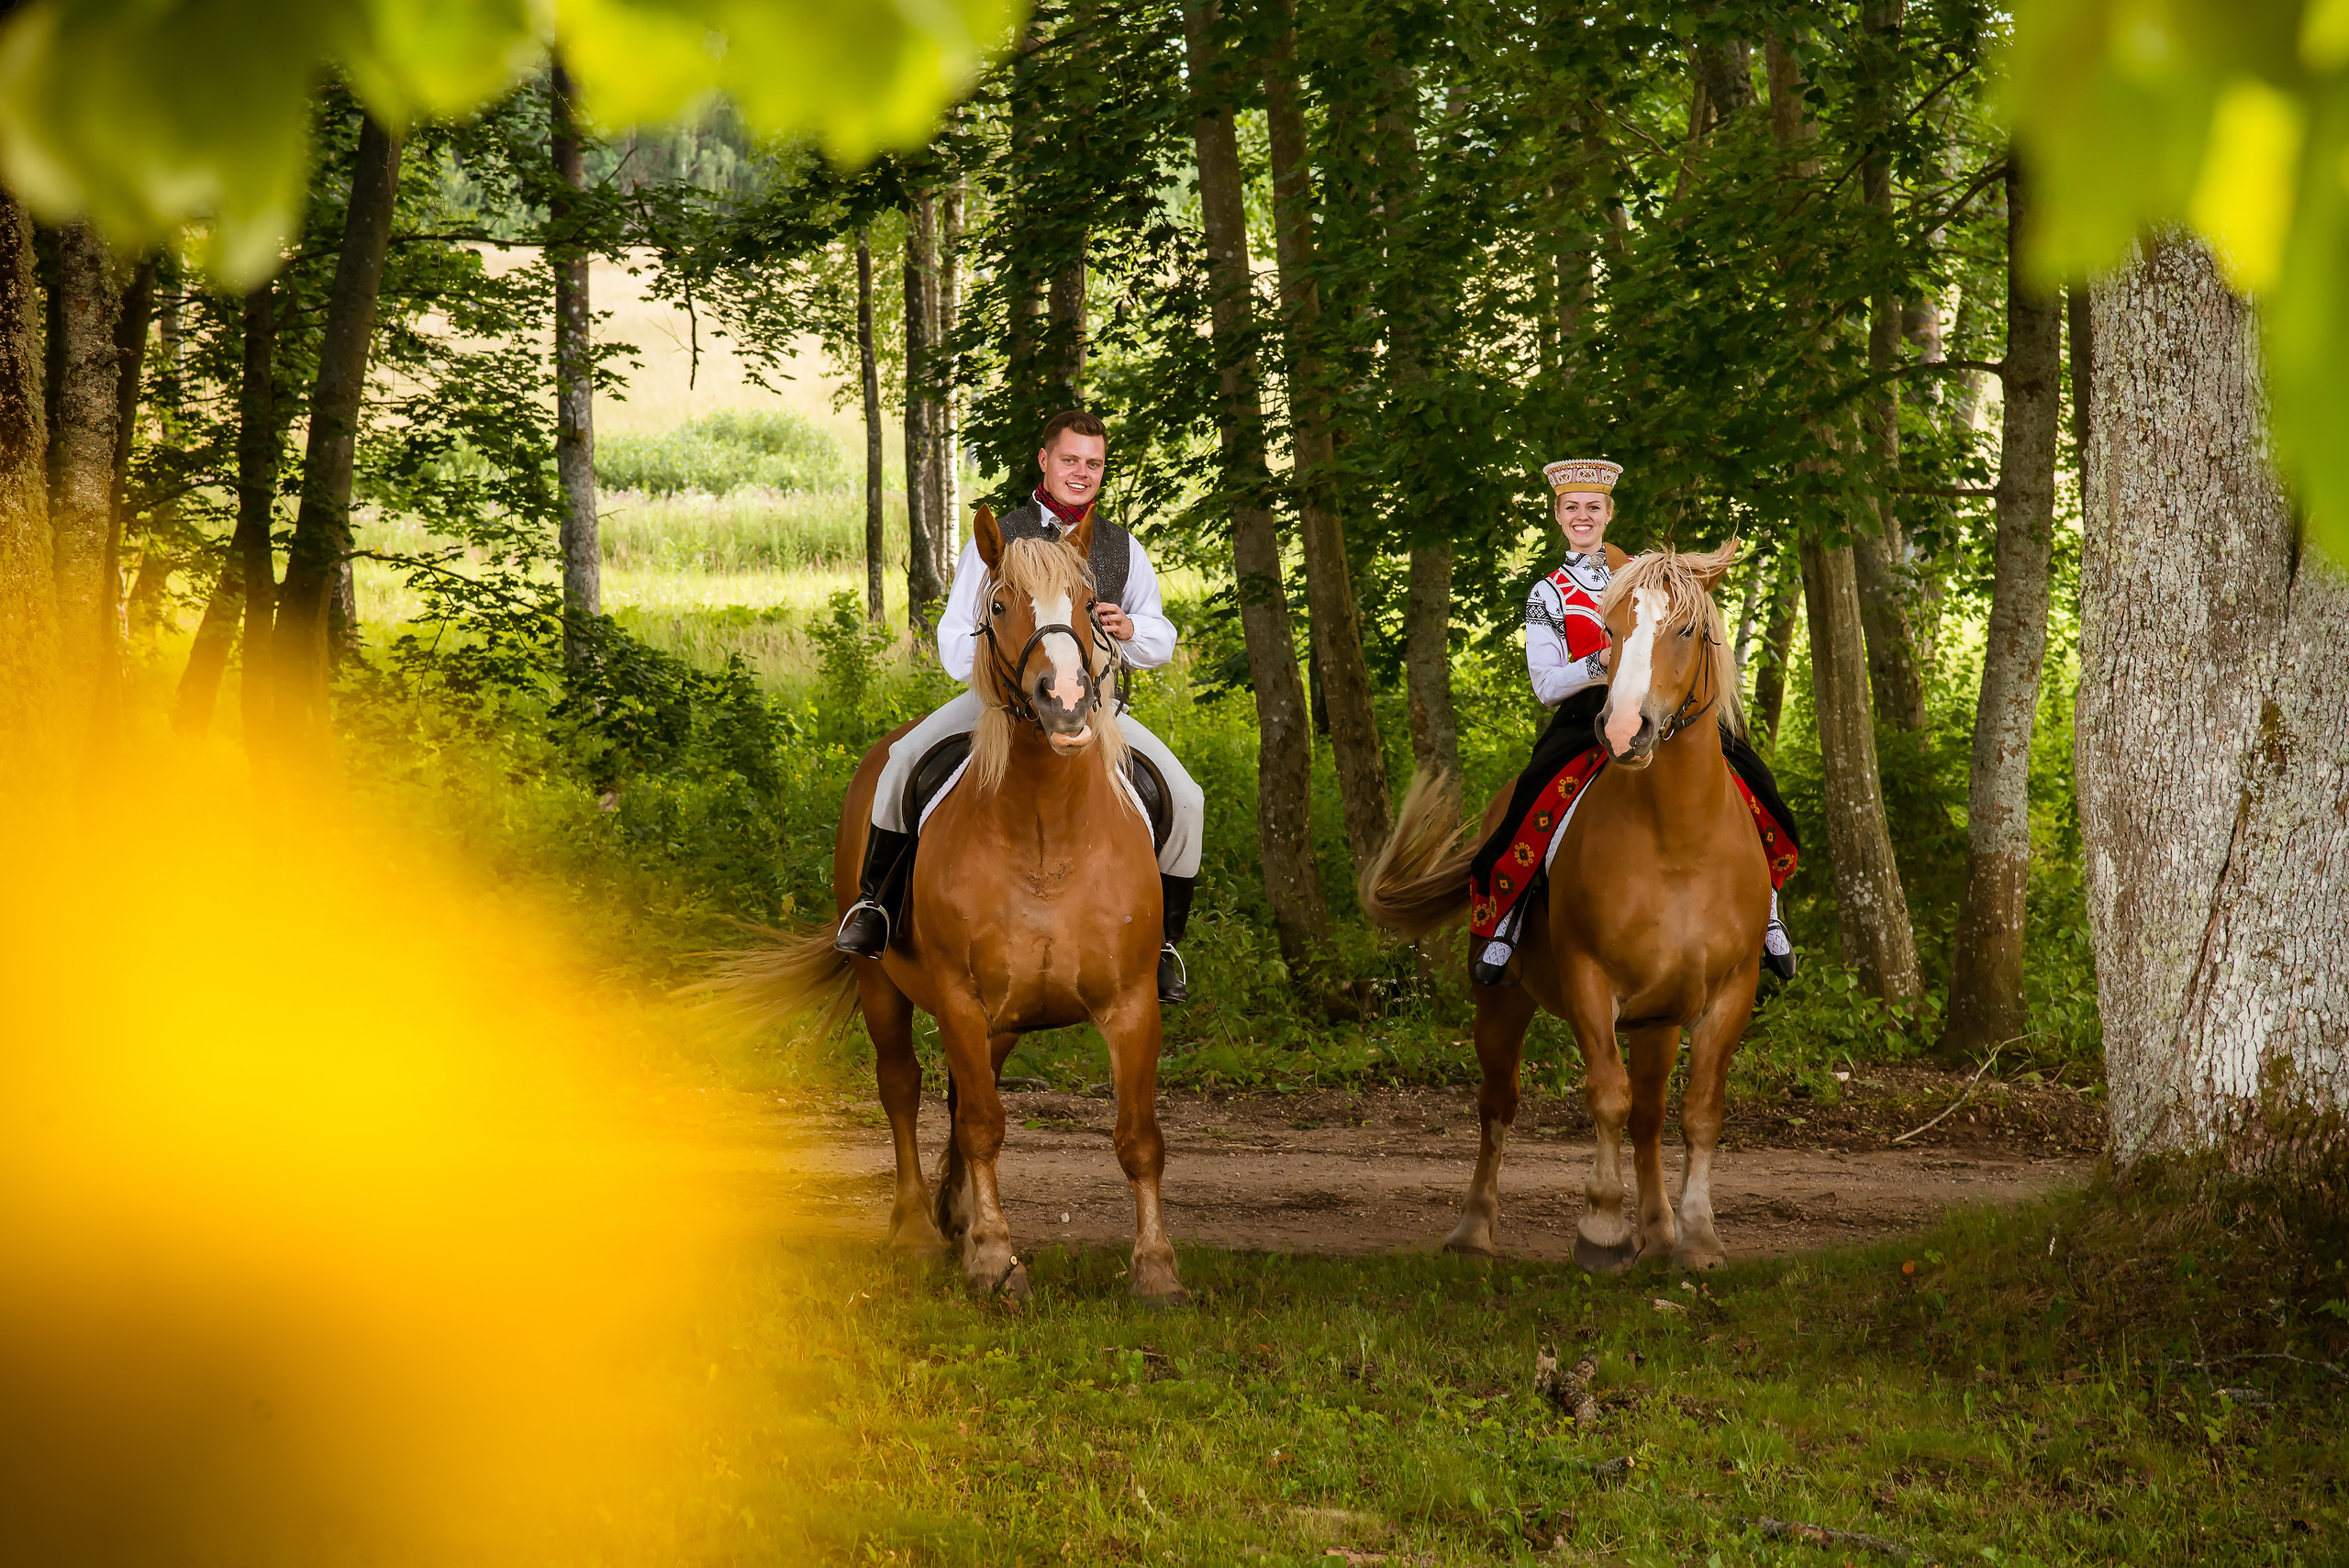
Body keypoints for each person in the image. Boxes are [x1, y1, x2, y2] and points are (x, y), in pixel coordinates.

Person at [833, 409, 1207, 1006]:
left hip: (1097, 710)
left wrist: (1131, 626)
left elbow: (1160, 636)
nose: (1081, 473)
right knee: (901, 759)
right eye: (1070, 460)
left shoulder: (1120, 547)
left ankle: (1163, 945)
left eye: (1094, 463)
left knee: (1186, 798)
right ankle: (873, 905)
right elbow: (955, 635)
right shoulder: (996, 538)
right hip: (999, 708)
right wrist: (990, 665)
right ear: (1045, 459)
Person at [1466, 458, 1800, 987]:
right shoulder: (1547, 593)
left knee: (1756, 780)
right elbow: (1546, 685)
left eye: (1592, 508)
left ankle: (1770, 910)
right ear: (1558, 515)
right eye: (1572, 508)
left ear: (1608, 513)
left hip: (1663, 705)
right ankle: (1505, 917)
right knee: (1533, 794)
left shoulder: (1639, 574)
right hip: (1587, 711)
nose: (1583, 516)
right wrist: (1600, 666)